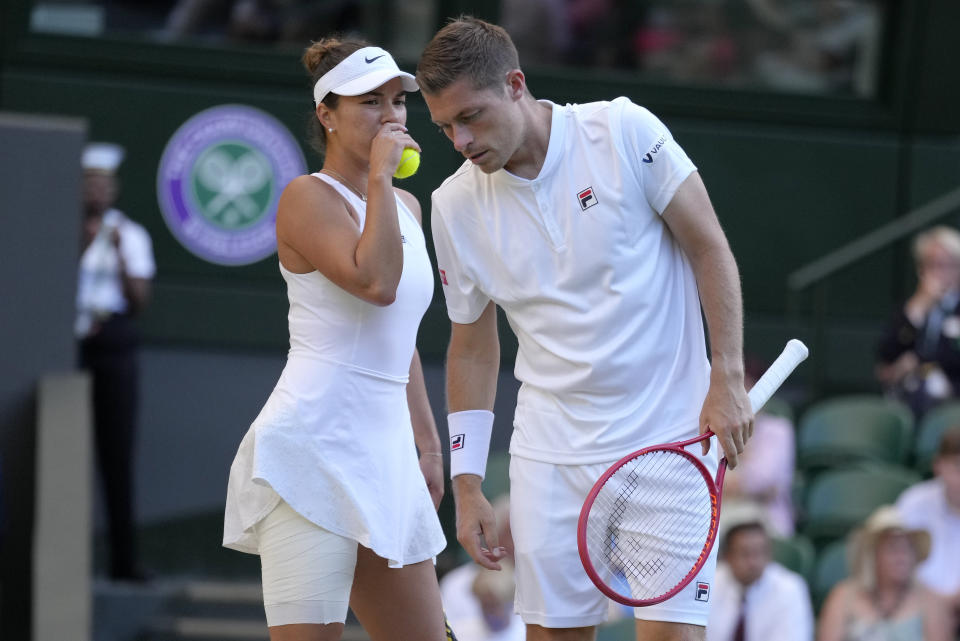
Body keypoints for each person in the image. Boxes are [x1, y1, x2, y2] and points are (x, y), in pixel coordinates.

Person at [417, 17, 752, 641]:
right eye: (444, 127)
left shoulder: (625, 129)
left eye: (473, 116)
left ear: (516, 84)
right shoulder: (452, 205)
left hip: (670, 436)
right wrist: (467, 486)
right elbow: (471, 350)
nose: (460, 140)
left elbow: (709, 247)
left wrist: (726, 375)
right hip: (549, 457)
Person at [222, 39, 449, 641]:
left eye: (398, 102)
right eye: (370, 102)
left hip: (388, 457)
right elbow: (375, 283)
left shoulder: (407, 206)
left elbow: (398, 339)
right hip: (310, 454)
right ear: (326, 115)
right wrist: (377, 171)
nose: (392, 117)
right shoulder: (305, 197)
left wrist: (426, 446)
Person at [77, 142, 156, 582]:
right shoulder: (60, 228)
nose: (97, 190)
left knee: (116, 453)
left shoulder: (131, 234)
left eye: (103, 183)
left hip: (114, 343)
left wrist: (119, 252)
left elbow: (140, 300)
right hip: (67, 345)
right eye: (89, 182)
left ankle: (122, 563)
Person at [818, 505, 952, 641]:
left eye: (908, 548)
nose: (902, 556)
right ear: (872, 554)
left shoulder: (931, 602)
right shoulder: (843, 597)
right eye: (893, 548)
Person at [876, 225, 960, 418]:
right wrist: (918, 309)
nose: (939, 273)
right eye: (931, 265)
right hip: (908, 397)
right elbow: (885, 355)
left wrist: (919, 363)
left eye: (947, 264)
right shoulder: (910, 308)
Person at [706, 513, 813, 641]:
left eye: (759, 552)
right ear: (727, 556)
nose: (753, 562)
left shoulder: (790, 588)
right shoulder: (709, 584)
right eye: (745, 553)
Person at [720, 358, 797, 536]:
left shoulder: (778, 430)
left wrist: (726, 487)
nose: (738, 397)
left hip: (768, 524)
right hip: (721, 521)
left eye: (745, 387)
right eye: (732, 389)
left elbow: (763, 480)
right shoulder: (713, 431)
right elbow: (703, 479)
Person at [895, 425, 960, 624]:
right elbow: (894, 560)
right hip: (916, 613)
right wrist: (932, 603)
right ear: (938, 465)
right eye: (958, 466)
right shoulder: (913, 503)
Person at [441, 494, 525, 641]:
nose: (520, 541)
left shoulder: (537, 585)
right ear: (492, 535)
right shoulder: (455, 584)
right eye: (512, 534)